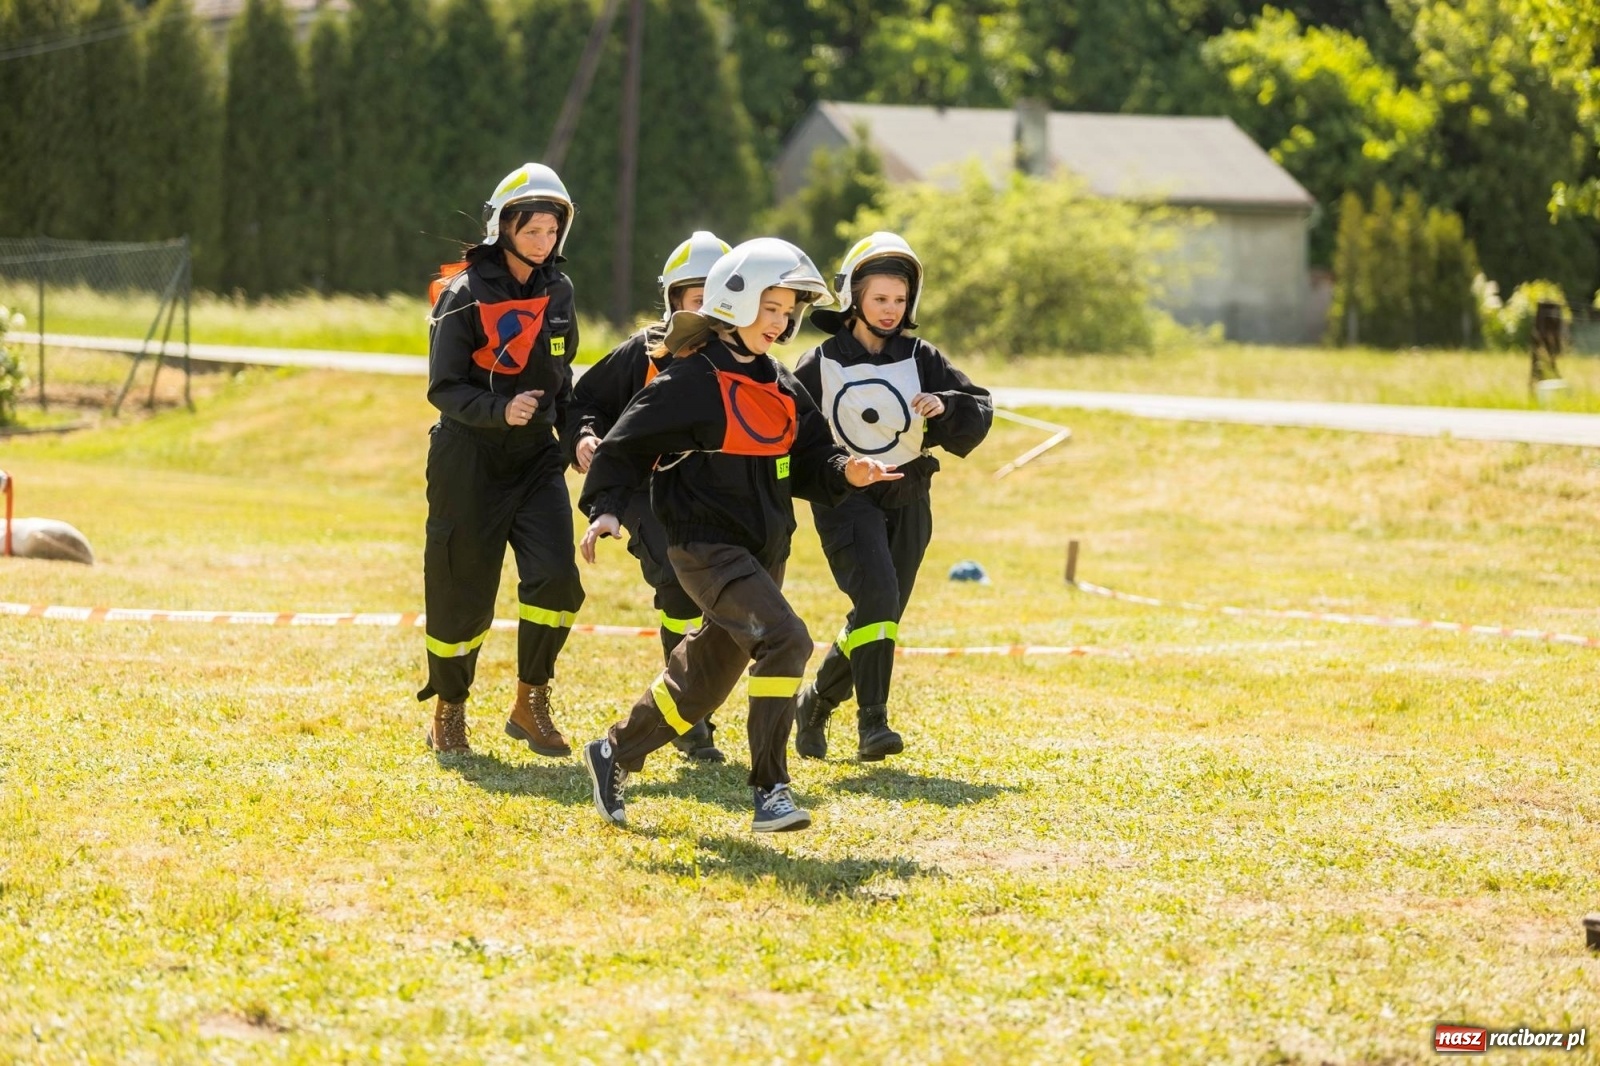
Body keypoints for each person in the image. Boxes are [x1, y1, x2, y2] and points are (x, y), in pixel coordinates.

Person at [575, 238, 901, 832]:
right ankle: (770, 789)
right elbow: (625, 446)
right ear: (736, 302)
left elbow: (812, 457)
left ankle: (613, 752)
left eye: (786, 312)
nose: (780, 323)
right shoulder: (689, 380)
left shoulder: (781, 383)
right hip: (703, 547)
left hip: (763, 552)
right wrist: (605, 509)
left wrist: (846, 470)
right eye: (769, 308)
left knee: (702, 682)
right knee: (787, 640)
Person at [791, 232, 992, 761]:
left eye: (900, 300)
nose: (890, 310)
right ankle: (872, 725)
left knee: (879, 612)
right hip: (845, 498)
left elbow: (978, 407)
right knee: (877, 599)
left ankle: (814, 702)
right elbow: (787, 430)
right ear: (853, 297)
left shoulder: (922, 356)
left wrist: (945, 406)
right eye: (880, 299)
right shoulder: (818, 363)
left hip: (909, 493)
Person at [417, 163, 585, 758]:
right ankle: (449, 708)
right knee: (463, 590)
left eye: (551, 231)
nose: (543, 242)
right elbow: (443, 389)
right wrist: (499, 410)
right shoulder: (463, 294)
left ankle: (530, 701)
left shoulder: (560, 292)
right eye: (532, 229)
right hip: (468, 458)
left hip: (537, 460)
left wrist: (579, 437)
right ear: (503, 227)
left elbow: (563, 387)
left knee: (558, 580)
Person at [567, 231, 731, 763]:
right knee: (677, 585)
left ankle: (691, 703)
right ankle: (688, 719)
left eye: (717, 294)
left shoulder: (745, 355)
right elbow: (585, 398)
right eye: (694, 295)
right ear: (674, 301)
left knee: (717, 597)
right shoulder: (643, 349)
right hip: (644, 489)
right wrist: (585, 436)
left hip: (708, 493)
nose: (705, 306)